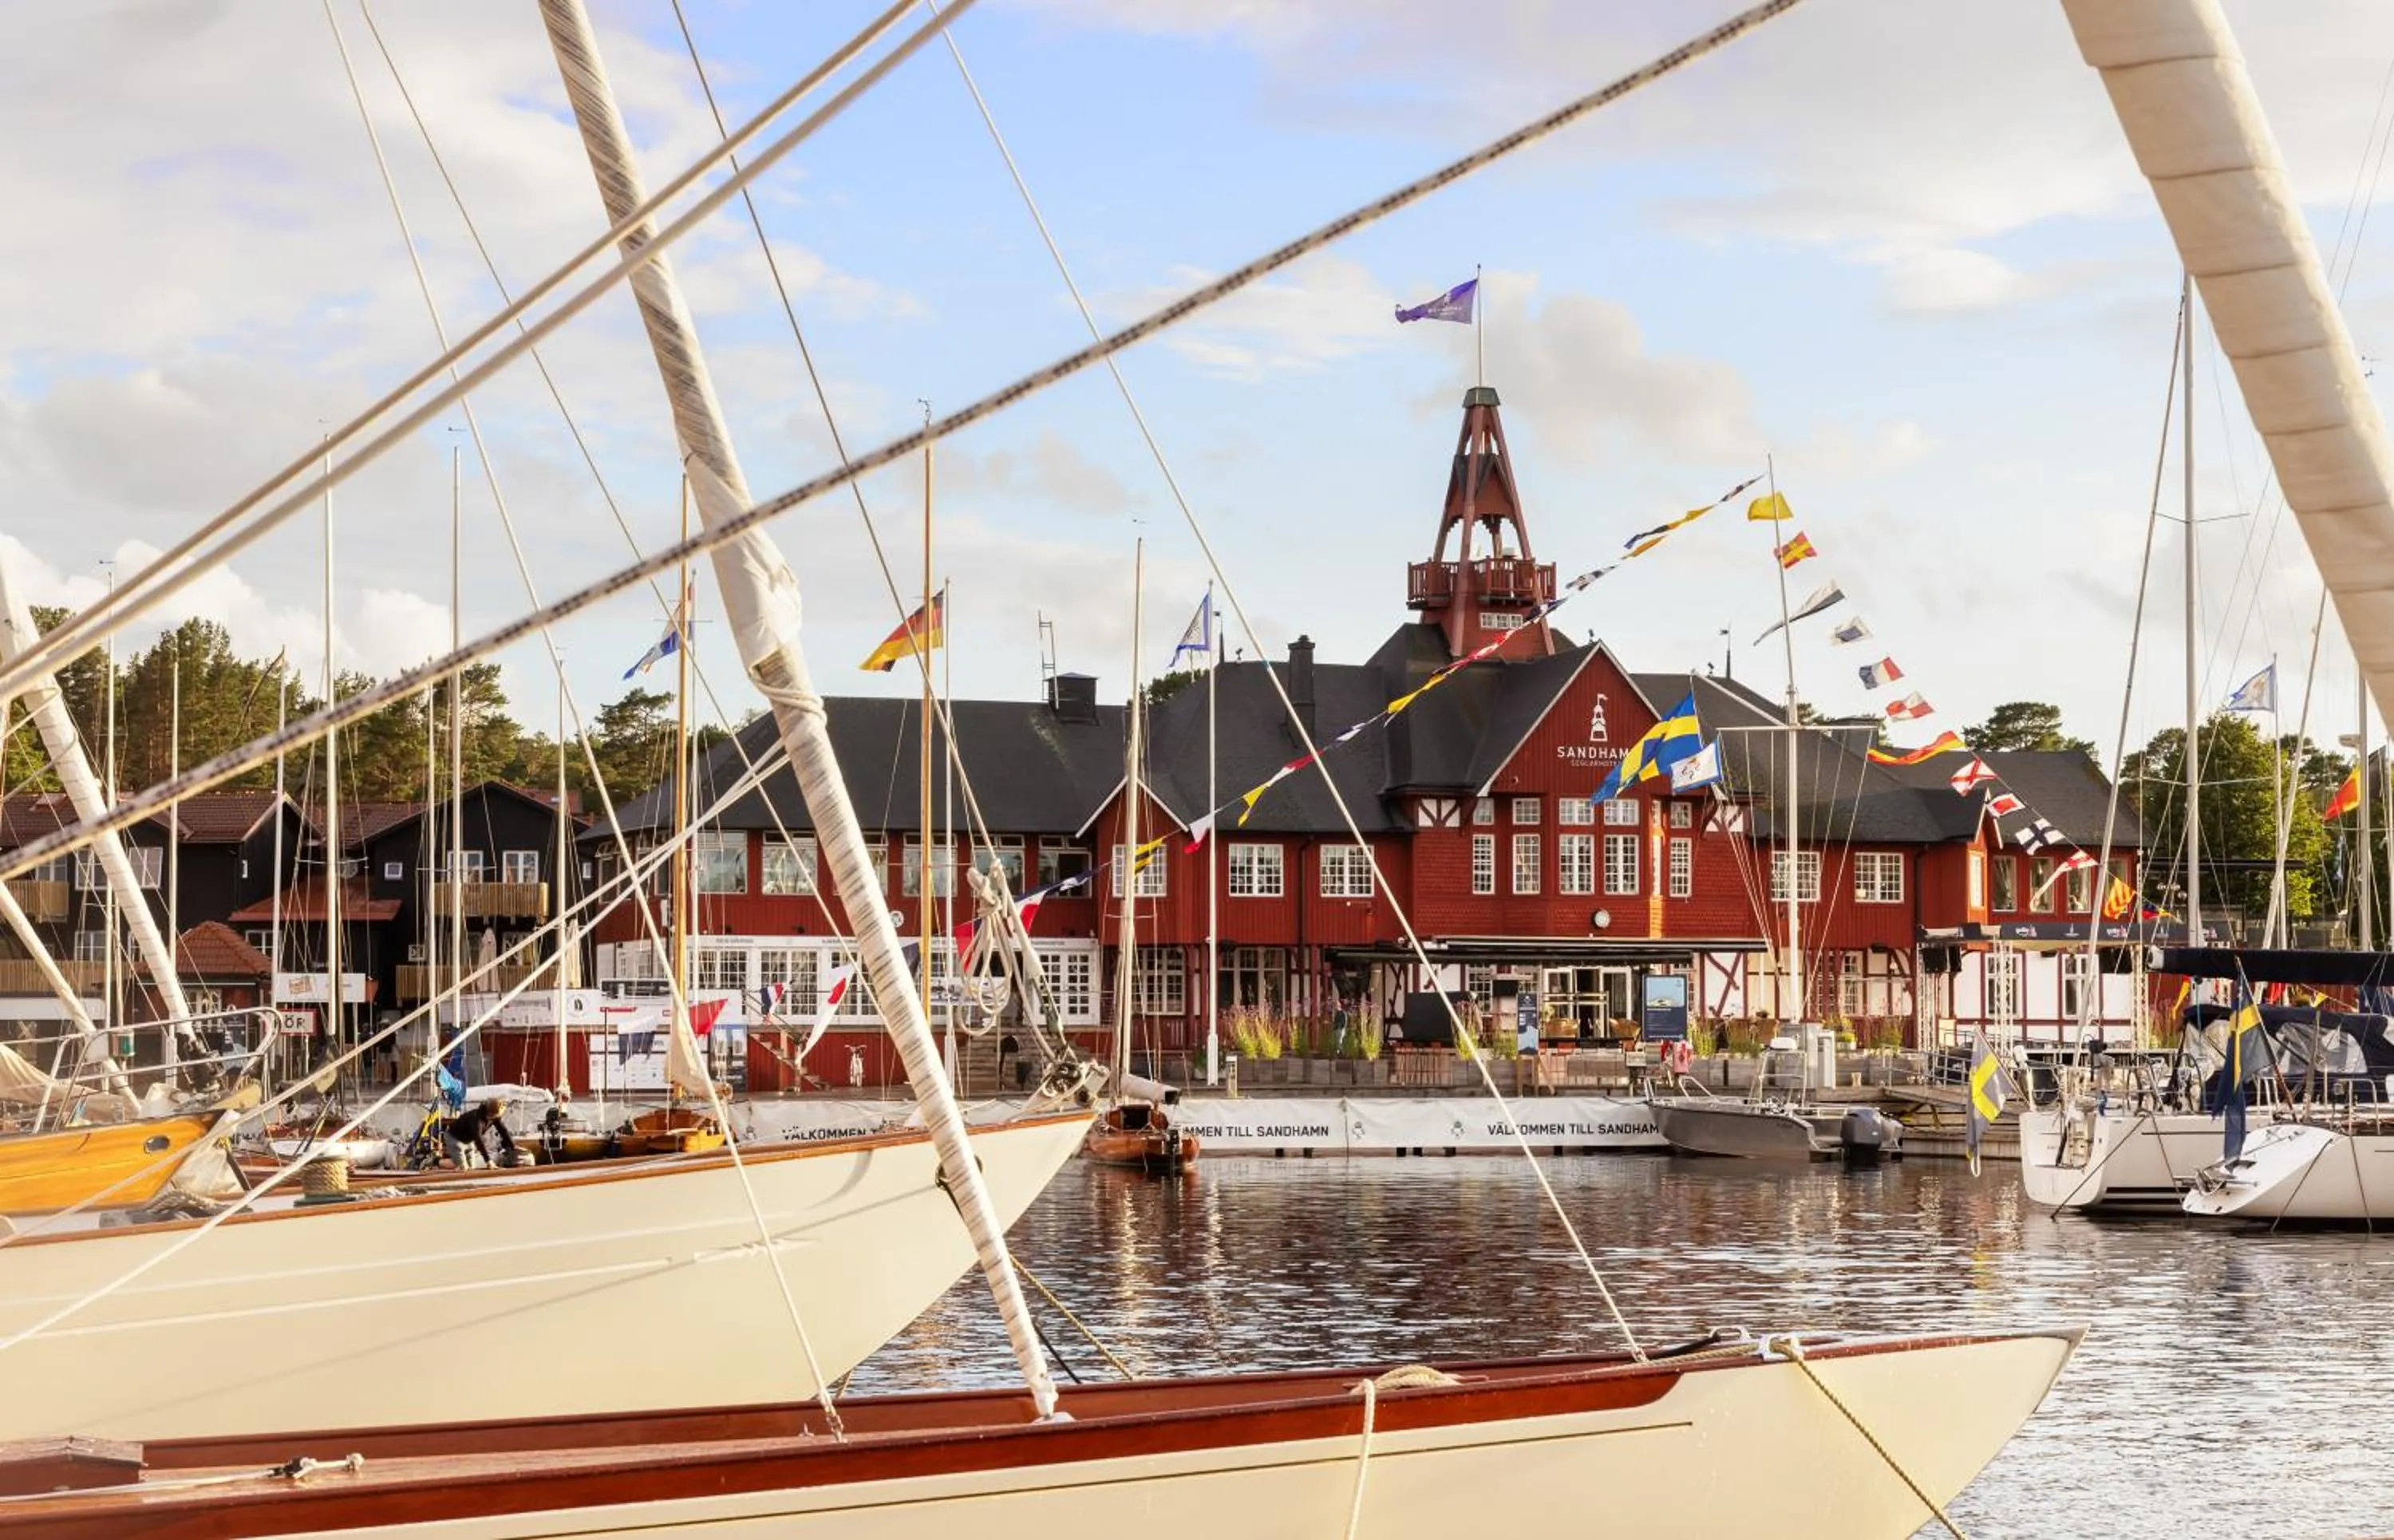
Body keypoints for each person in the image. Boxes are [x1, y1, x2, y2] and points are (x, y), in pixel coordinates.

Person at [443, 1096, 520, 1169]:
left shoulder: (495, 1117)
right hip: (454, 1138)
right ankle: (437, 1161)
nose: (498, 1118)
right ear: (491, 1113)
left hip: (468, 1140)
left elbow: (503, 1130)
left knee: (472, 1168)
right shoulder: (476, 1120)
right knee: (463, 1168)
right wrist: (488, 1161)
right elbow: (479, 1140)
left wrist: (513, 1147)